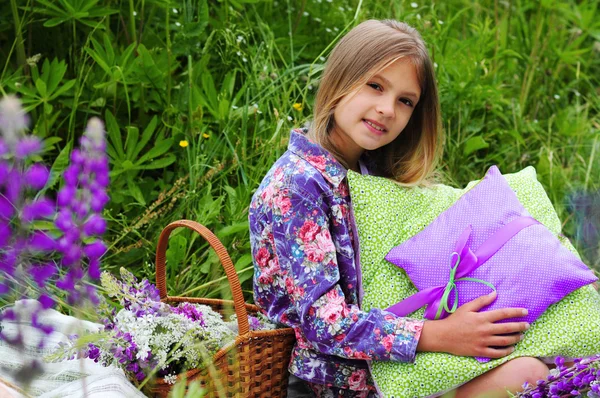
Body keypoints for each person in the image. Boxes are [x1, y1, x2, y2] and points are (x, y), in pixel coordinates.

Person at [248, 19, 549, 397]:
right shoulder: (297, 186)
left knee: (531, 370)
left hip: (399, 367)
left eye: (405, 101)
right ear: (341, 77)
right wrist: (439, 335)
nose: (387, 109)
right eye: (375, 85)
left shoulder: (370, 173)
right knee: (525, 377)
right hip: (330, 384)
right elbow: (323, 324)